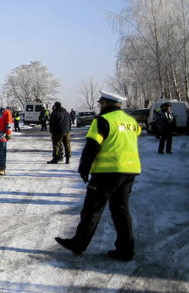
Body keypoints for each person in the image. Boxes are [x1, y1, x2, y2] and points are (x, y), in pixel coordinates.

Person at [55, 90, 141, 261]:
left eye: (100, 103)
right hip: (130, 170)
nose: (99, 105)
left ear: (105, 103)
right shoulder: (131, 121)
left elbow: (92, 146)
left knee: (92, 210)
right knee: (121, 211)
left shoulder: (103, 120)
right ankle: (126, 250)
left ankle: (78, 244)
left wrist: (83, 168)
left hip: (106, 172)